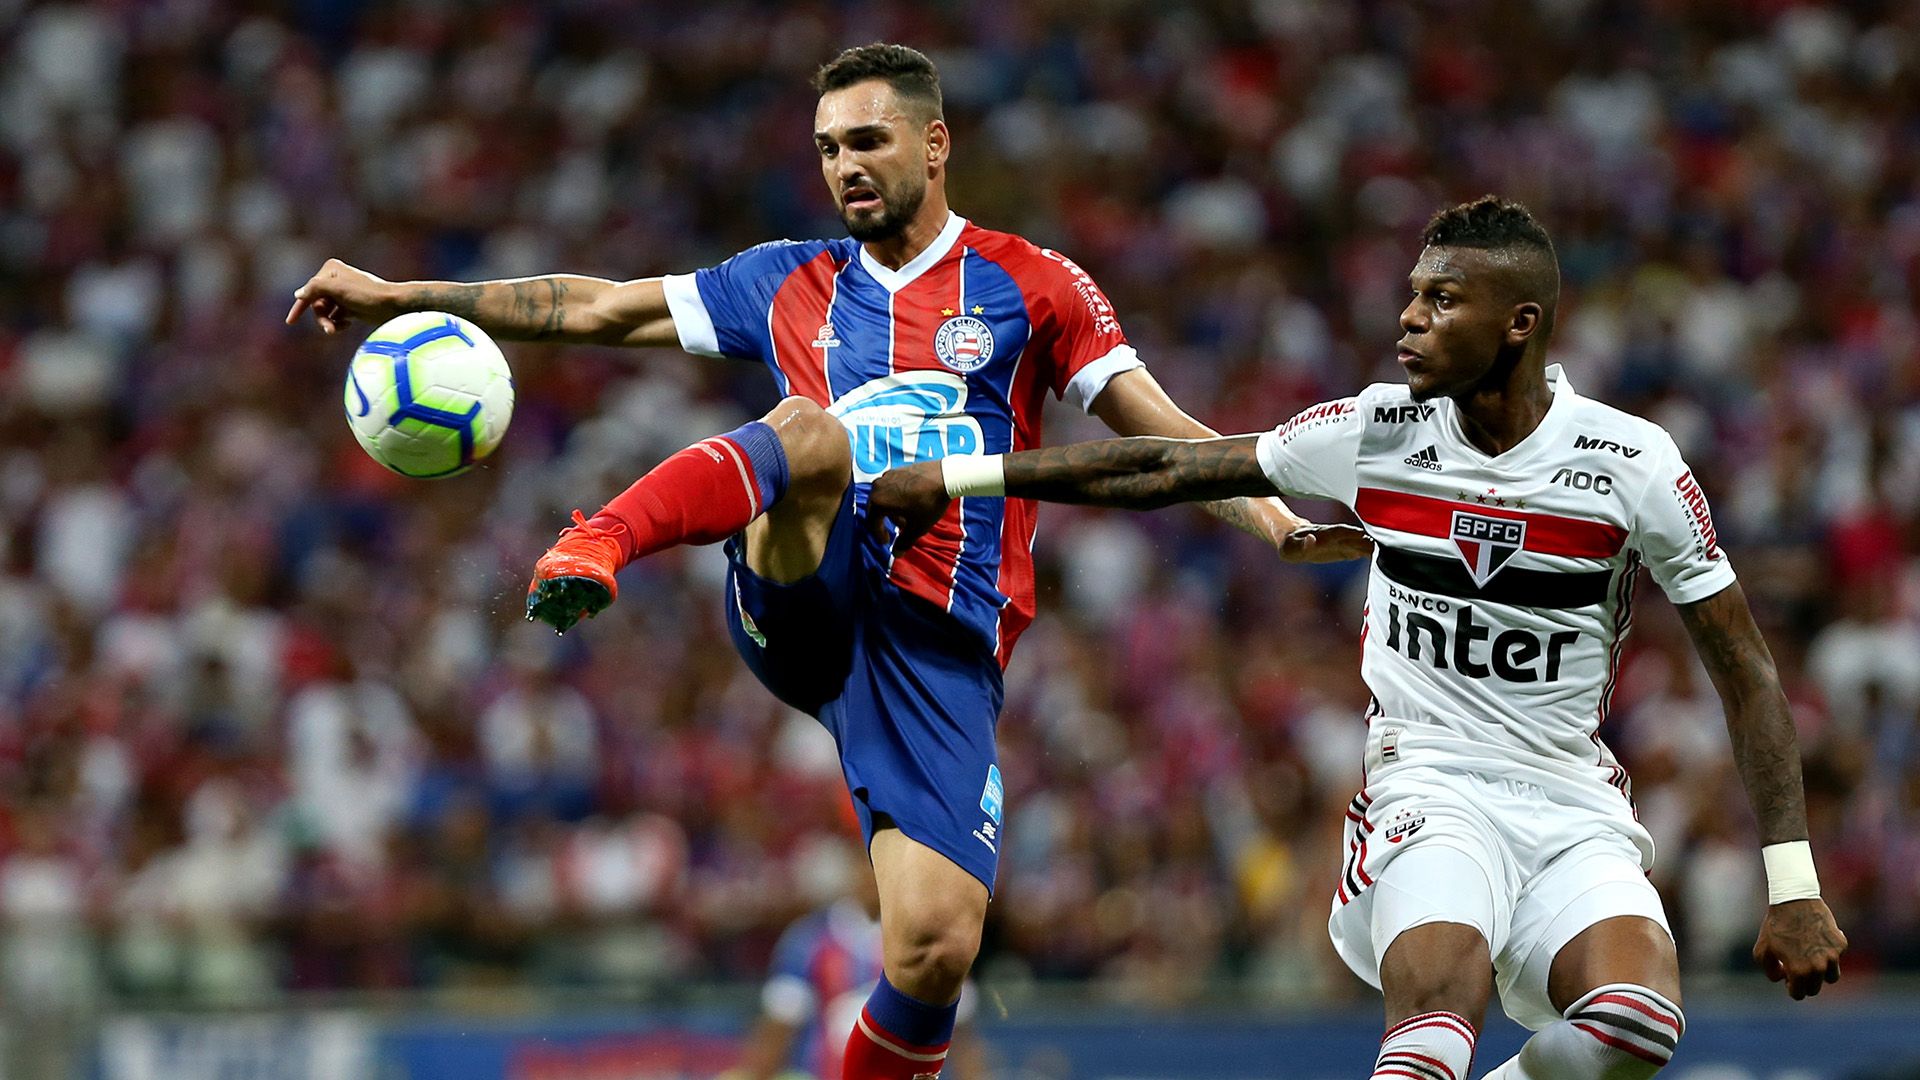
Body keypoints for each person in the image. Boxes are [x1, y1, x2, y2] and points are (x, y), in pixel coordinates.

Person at [286, 42, 1366, 1080]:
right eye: (828, 148)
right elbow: (596, 304)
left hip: (940, 645)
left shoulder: (1032, 286)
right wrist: (401, 297)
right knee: (809, 433)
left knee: (935, 948)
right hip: (805, 591)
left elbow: (1163, 436)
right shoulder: (785, 281)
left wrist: (1276, 524)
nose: (845, 166)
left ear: (935, 144)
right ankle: (600, 536)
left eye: (867, 141)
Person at [868, 196, 1848, 1080]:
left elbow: (1749, 672)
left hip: (1569, 799)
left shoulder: (1631, 464)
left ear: (1521, 324)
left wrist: (1793, 881)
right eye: (1413, 293)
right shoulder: (1377, 433)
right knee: (1435, 1019)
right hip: (1427, 783)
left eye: (1443, 299)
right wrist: (961, 478)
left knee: (1637, 1023)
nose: (1409, 317)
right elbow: (1170, 468)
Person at [731, 844, 986, 1080]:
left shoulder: (935, 940)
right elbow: (777, 1031)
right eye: (868, 865)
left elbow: (962, 1037)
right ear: (853, 872)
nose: (876, 877)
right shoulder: (808, 941)